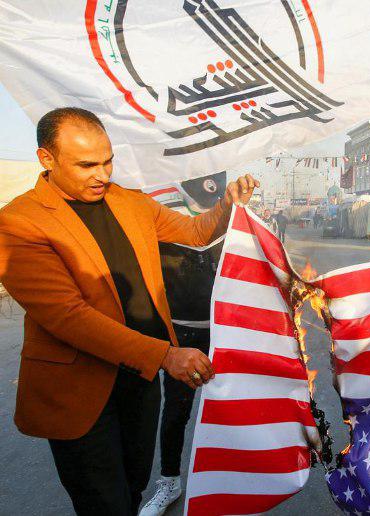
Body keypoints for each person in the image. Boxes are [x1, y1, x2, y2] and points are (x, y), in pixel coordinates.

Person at [0, 107, 259, 515]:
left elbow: (194, 231)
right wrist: (165, 355)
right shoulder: (19, 222)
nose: (102, 174)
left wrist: (227, 204)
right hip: (81, 389)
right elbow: (68, 317)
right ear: (46, 159)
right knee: (105, 504)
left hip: (139, 380)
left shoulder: (127, 201)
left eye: (107, 161)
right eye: (87, 165)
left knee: (134, 488)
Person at [140, 173, 227, 516]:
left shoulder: (230, 208)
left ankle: (231, 478)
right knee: (177, 411)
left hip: (226, 330)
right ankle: (169, 481)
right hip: (182, 333)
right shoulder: (160, 203)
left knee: (231, 406)